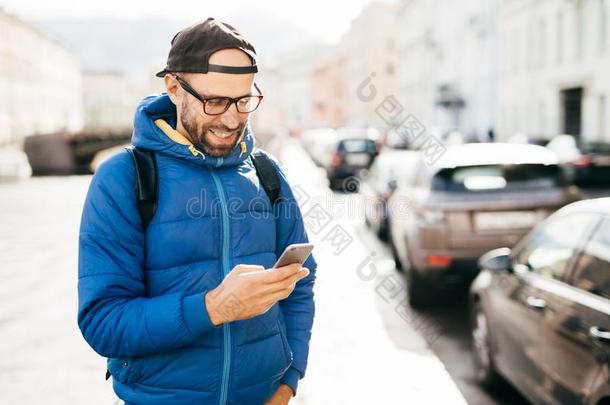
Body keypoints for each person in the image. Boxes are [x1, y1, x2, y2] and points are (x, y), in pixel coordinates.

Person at [77, 18, 317, 405]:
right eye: (215, 101)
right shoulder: (124, 178)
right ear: (174, 88)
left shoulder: (267, 174)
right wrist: (214, 307)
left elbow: (301, 284)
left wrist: (289, 381)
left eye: (243, 101)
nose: (230, 119)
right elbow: (103, 323)